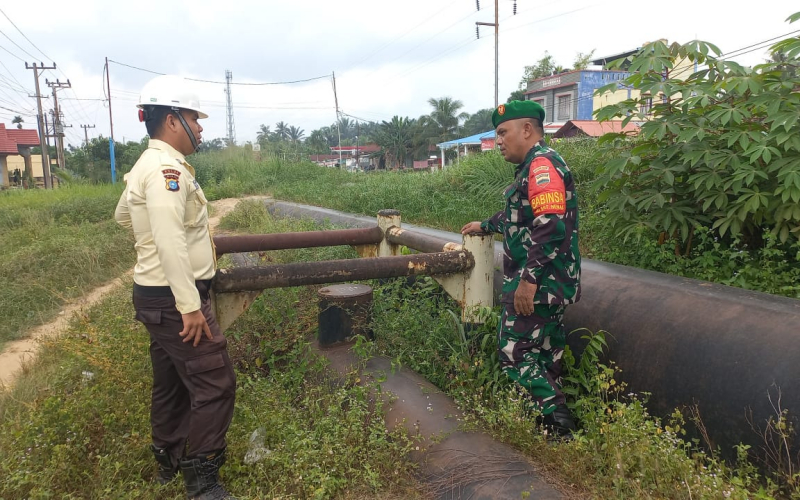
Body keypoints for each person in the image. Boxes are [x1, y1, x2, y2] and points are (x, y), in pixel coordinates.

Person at [114, 75, 237, 499]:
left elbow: (124, 216)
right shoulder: (166, 170)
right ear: (171, 120)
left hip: (156, 295)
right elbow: (169, 241)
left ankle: (167, 459)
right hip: (174, 299)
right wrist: (190, 306)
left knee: (170, 381)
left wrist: (148, 241)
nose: (200, 128)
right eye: (194, 119)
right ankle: (202, 481)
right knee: (215, 382)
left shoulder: (146, 165)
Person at [461, 100, 581, 438]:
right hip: (551, 282)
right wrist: (486, 224)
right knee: (544, 354)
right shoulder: (534, 167)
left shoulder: (541, 166)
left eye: (503, 133)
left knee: (513, 352)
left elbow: (551, 225)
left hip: (539, 283)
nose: (498, 141)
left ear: (527, 130)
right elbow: (522, 217)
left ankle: (558, 422)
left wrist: (528, 281)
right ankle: (551, 426)